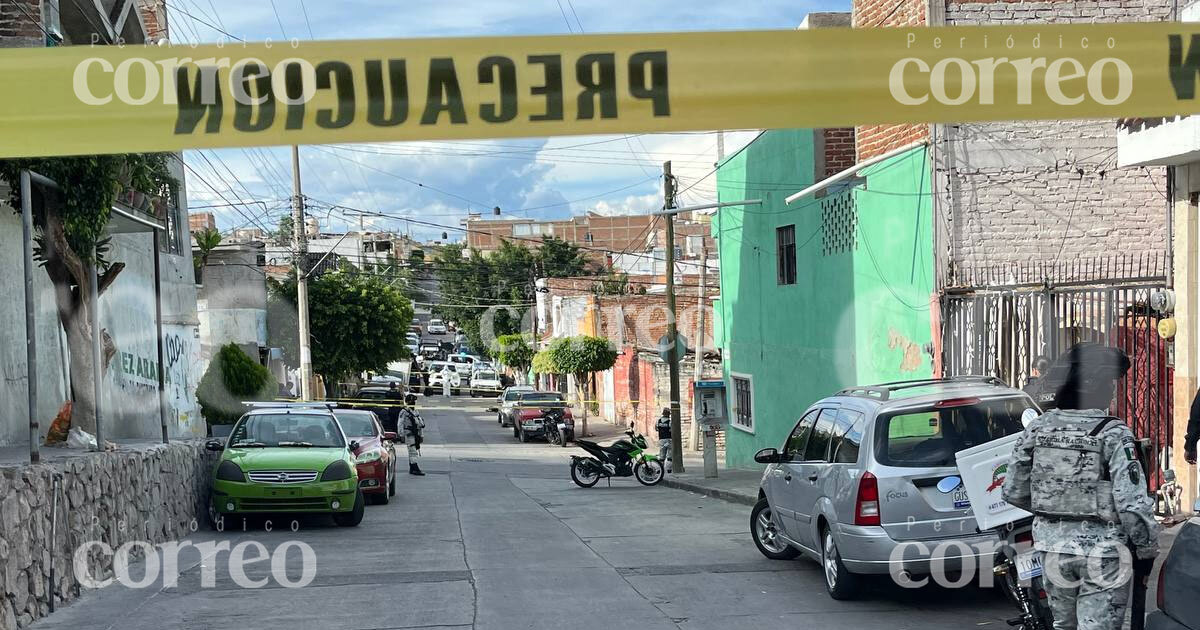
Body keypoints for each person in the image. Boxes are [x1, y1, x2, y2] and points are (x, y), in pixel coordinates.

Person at [1002, 343, 1158, 630]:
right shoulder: (1113, 433)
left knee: (1063, 626)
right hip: (1104, 555)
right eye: (1108, 383)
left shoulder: (1038, 427)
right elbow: (1132, 506)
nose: (1112, 390)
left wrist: (1055, 507)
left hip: (1051, 549)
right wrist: (1147, 549)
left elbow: (1012, 489)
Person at [399, 393, 426, 476]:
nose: (413, 403)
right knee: (413, 452)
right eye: (412, 401)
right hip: (409, 434)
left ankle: (412, 468)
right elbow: (400, 424)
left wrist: (421, 435)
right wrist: (401, 435)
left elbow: (420, 425)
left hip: (416, 434)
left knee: (414, 451)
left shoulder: (415, 411)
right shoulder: (404, 412)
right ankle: (415, 468)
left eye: (414, 401)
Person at [656, 408, 673, 473]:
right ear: (668, 414)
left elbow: (656, 429)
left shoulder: (658, 421)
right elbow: (671, 430)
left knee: (662, 456)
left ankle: (659, 470)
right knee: (669, 455)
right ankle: (669, 470)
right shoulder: (670, 422)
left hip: (661, 440)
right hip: (669, 439)